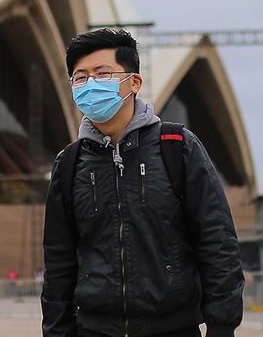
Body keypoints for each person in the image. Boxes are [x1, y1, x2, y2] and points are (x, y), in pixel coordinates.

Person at [41, 29, 244, 337]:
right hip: (94, 330)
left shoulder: (178, 147)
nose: (90, 84)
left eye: (102, 73)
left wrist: (222, 327)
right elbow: (58, 261)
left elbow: (217, 241)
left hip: (172, 328)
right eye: (80, 78)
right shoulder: (70, 163)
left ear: (134, 82)